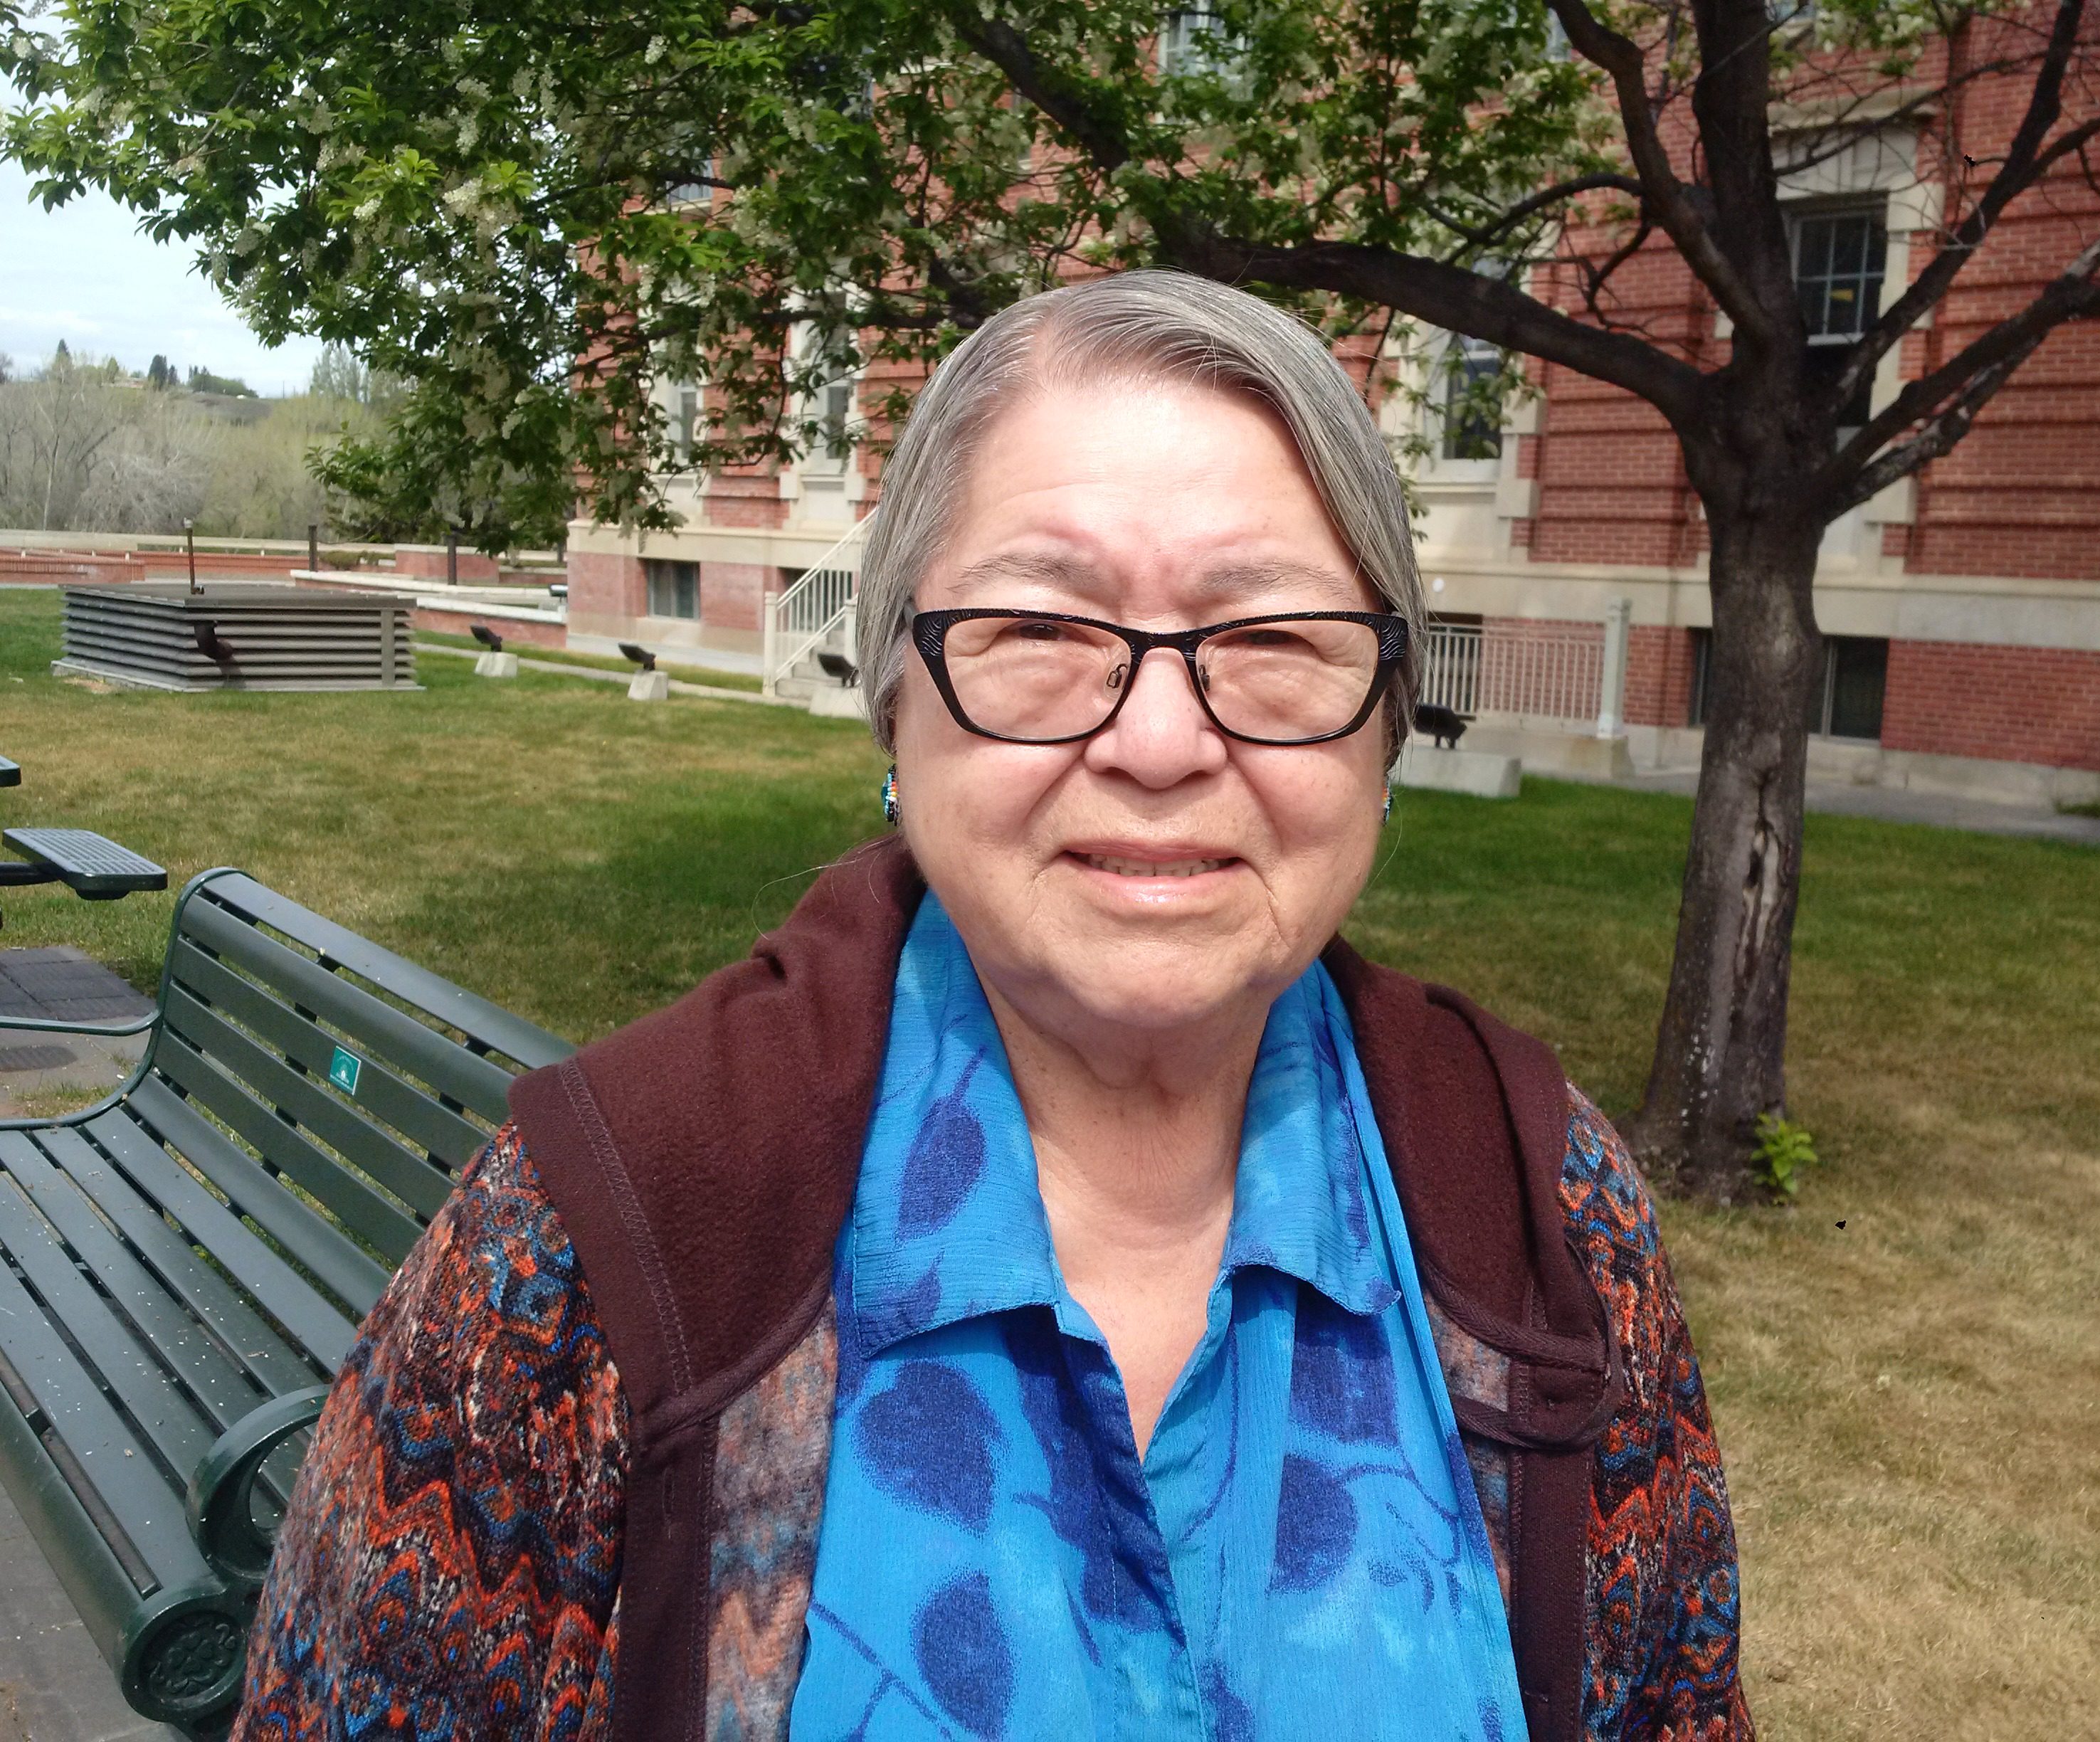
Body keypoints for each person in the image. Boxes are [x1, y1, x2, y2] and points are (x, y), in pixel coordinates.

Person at [237, 272, 1749, 1741]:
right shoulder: (611, 1226)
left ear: (1384, 727)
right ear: (895, 699)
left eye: (1272, 639)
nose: (1160, 742)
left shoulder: (1542, 1204)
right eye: (1042, 629)